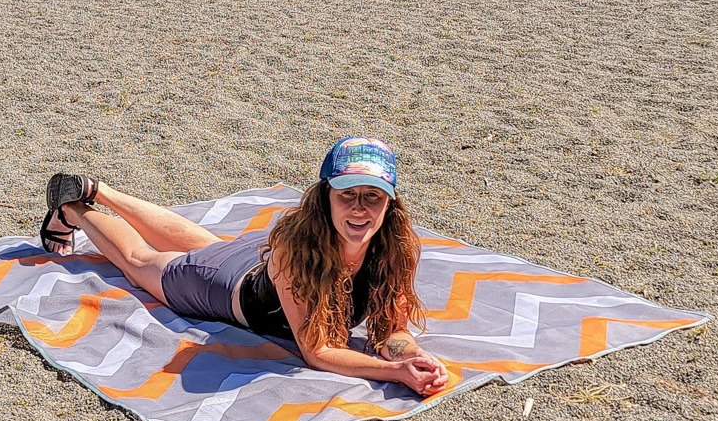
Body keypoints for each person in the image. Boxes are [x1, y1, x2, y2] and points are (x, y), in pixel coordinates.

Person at [34, 140, 452, 397]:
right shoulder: (297, 249)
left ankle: (99, 188)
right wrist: (395, 372)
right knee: (140, 262)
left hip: (256, 261)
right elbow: (318, 351)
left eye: (373, 197)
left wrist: (415, 356)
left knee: (211, 245)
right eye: (348, 195)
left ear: (390, 203)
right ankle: (75, 207)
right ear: (325, 197)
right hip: (222, 286)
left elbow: (390, 328)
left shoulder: (395, 246)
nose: (360, 209)